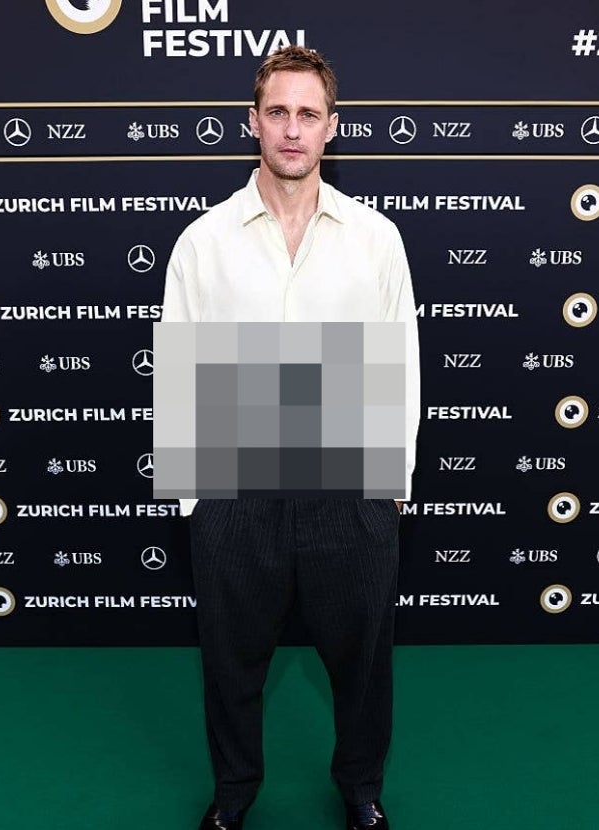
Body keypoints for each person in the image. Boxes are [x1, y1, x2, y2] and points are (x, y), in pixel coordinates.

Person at [162, 46, 419, 830]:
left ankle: (362, 790)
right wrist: (195, 499)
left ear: (331, 127)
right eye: (278, 112)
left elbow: (402, 359)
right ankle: (233, 795)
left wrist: (390, 485)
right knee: (230, 663)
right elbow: (180, 365)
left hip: (351, 476)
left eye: (309, 113)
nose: (293, 129)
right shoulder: (203, 240)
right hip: (235, 480)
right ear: (253, 122)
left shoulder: (376, 238)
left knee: (364, 662)